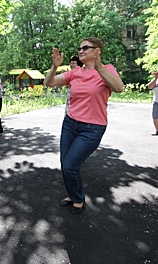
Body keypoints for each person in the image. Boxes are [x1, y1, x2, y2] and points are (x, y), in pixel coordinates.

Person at [44, 37, 124, 214]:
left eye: (86, 48)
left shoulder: (107, 70)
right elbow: (48, 83)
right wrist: (55, 66)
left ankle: (78, 198)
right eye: (80, 48)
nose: (81, 51)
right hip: (70, 124)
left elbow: (119, 88)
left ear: (97, 51)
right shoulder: (75, 72)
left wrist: (99, 66)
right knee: (65, 164)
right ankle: (73, 196)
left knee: (70, 165)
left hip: (92, 128)